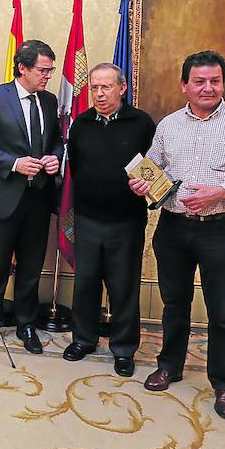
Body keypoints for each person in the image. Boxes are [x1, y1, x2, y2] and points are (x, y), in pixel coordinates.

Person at [130, 50, 225, 421]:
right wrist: (141, 183)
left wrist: (222, 191)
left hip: (220, 230)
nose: (208, 88)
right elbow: (155, 168)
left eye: (215, 81)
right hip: (173, 229)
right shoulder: (168, 125)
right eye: (200, 81)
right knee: (174, 304)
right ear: (184, 86)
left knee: (221, 310)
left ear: (223, 83)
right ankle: (170, 366)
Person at [0, 40, 63, 354]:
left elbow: (57, 142)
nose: (48, 76)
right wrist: (14, 163)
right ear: (22, 67)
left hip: (38, 199)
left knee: (31, 267)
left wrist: (54, 158)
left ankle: (25, 324)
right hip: (2, 198)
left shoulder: (48, 102)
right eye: (43, 70)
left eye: (50, 70)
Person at [63, 63, 155, 377]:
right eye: (95, 88)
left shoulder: (141, 123)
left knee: (124, 286)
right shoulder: (82, 124)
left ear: (122, 88)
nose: (100, 94)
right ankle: (84, 339)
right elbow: (75, 165)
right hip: (87, 219)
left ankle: (124, 348)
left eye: (106, 87)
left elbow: (151, 168)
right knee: (85, 283)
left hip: (127, 221)